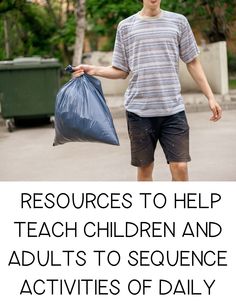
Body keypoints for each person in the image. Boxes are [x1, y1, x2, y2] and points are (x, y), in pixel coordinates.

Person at [73, 0, 222, 181]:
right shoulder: (126, 27)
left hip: (173, 110)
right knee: (145, 170)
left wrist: (211, 97)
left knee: (180, 167)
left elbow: (192, 61)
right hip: (139, 112)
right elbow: (121, 70)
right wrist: (92, 69)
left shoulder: (179, 22)